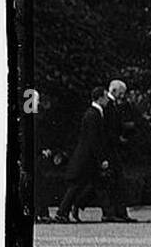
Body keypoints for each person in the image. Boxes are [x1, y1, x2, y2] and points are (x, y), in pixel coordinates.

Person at [52, 85, 112, 223]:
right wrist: (101, 158)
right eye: (105, 97)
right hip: (86, 157)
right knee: (77, 185)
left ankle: (74, 208)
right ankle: (63, 211)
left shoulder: (95, 113)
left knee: (93, 185)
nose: (107, 100)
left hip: (88, 156)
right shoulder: (92, 115)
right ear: (100, 98)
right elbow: (93, 139)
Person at [102, 79, 136, 222]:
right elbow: (109, 129)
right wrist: (119, 138)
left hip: (113, 147)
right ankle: (117, 212)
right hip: (111, 148)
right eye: (121, 93)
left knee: (117, 181)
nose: (123, 96)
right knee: (116, 181)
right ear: (114, 91)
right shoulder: (109, 105)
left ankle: (119, 212)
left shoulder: (113, 105)